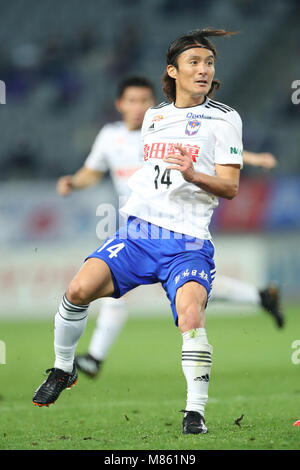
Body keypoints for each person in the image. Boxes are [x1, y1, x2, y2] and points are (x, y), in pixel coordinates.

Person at [31, 28, 266, 434]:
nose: (204, 69)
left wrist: (193, 173)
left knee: (191, 317)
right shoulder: (155, 117)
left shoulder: (225, 118)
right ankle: (63, 368)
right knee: (76, 291)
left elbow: (229, 187)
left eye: (209, 62)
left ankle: (195, 412)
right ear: (173, 71)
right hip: (139, 234)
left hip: (187, 243)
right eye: (195, 62)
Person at [56, 76, 156, 377]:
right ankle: (94, 358)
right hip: (135, 227)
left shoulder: (163, 130)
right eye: (133, 100)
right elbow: (92, 172)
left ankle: (257, 296)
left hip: (170, 225)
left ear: (154, 104)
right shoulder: (110, 136)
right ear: (120, 104)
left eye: (145, 100)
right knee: (116, 290)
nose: (139, 107)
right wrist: (73, 182)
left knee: (193, 291)